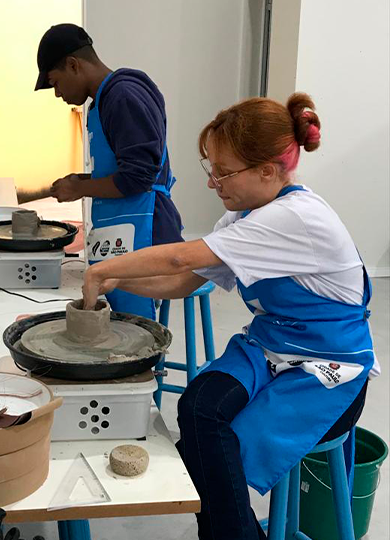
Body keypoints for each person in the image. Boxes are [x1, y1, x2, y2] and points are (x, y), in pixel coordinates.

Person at [81, 93, 379, 539]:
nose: (212, 182)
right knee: (199, 407)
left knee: (221, 446)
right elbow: (183, 283)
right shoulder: (244, 215)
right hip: (270, 346)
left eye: (223, 171)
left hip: (329, 367)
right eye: (211, 168)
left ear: (267, 169)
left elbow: (180, 261)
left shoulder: (295, 218)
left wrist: (104, 266)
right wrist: (113, 283)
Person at [18, 23, 183, 319]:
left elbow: (139, 176)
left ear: (73, 65)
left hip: (145, 228)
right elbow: (125, 168)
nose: (57, 94)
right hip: (125, 228)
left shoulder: (123, 96)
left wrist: (80, 189)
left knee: (135, 334)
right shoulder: (104, 100)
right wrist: (78, 181)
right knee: (118, 325)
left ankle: (148, 367)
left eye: (55, 83)